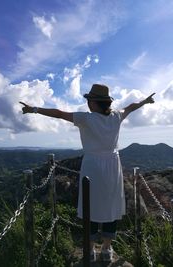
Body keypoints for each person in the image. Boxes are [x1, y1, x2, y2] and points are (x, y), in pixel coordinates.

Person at [20, 84, 155, 262]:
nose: (88, 103)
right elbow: (130, 107)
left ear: (94, 102)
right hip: (113, 166)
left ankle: (90, 249)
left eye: (89, 100)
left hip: (92, 165)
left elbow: (59, 113)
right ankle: (107, 249)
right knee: (111, 205)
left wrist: (34, 109)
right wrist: (145, 101)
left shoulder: (86, 119)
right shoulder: (116, 116)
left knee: (89, 204)